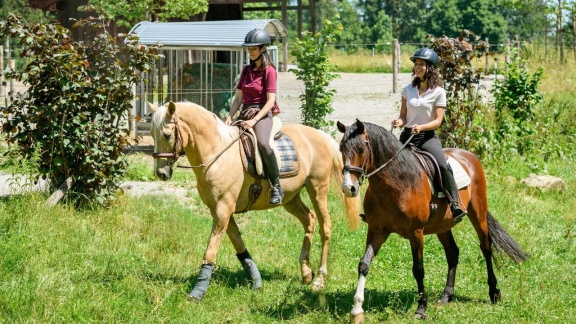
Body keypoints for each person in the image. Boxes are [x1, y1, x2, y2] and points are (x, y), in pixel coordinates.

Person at [392, 48, 467, 222]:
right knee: (389, 163)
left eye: (421, 64)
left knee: (441, 164)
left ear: (430, 68)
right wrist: (399, 122)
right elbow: (404, 116)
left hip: (427, 137)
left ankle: (454, 203)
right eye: (416, 64)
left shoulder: (438, 92)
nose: (417, 67)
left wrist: (422, 127)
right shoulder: (407, 90)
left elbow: (438, 121)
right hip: (407, 136)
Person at [225, 28, 283, 205]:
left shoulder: (270, 71)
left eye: (253, 49)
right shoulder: (246, 70)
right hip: (245, 112)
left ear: (263, 48)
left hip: (263, 113)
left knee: (264, 144)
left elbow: (270, 101)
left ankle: (276, 186)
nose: (250, 52)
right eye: (248, 49)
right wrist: (230, 116)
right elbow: (238, 98)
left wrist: (255, 120)